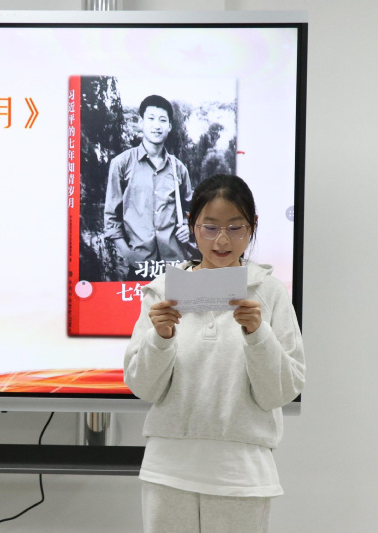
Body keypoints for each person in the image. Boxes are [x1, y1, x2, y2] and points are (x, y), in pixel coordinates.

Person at [123, 174, 305, 533]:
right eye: (209, 227)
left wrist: (258, 334)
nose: (222, 240)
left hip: (242, 473)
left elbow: (282, 392)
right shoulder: (162, 292)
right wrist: (160, 338)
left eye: (235, 228)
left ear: (253, 226)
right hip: (168, 469)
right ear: (191, 225)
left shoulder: (269, 293)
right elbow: (142, 386)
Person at [104, 95, 194, 280]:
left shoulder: (178, 168)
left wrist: (189, 227)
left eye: (162, 120)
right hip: (139, 265)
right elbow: (111, 217)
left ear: (169, 126)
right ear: (141, 122)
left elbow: (193, 210)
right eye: (151, 118)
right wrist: (127, 254)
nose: (157, 125)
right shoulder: (121, 163)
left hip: (175, 264)